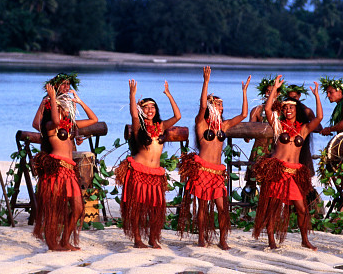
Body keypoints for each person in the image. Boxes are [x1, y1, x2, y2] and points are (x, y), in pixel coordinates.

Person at [178, 66, 250, 249]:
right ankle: (201, 238)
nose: (221, 107)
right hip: (203, 170)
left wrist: (244, 92)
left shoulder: (223, 126)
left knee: (222, 208)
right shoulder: (201, 124)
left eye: (221, 105)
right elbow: (202, 106)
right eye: (218, 104)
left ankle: (223, 240)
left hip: (217, 172)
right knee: (202, 207)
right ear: (211, 106)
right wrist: (206, 82)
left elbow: (243, 115)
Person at [253, 75, 323, 250]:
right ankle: (271, 239)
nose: (288, 110)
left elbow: (319, 118)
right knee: (274, 207)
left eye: (291, 107)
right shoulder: (278, 126)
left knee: (301, 208)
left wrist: (316, 96)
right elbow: (268, 109)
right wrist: (275, 90)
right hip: (278, 170)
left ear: (297, 109)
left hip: (294, 173)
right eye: (285, 107)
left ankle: (305, 240)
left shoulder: (303, 129)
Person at [32, 77, 98, 251]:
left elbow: (94, 119)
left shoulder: (69, 127)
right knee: (54, 208)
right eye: (64, 108)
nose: (68, 111)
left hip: (69, 170)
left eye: (69, 109)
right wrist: (52, 99)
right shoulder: (50, 125)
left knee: (78, 208)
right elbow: (54, 120)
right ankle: (52, 243)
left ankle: (65, 240)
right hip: (56, 168)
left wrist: (80, 102)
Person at [115, 80, 181, 249]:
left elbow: (178, 116)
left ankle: (153, 238)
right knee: (137, 207)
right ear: (141, 110)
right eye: (146, 107)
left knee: (155, 208)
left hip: (155, 173)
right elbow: (133, 115)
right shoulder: (139, 127)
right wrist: (132, 95)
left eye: (153, 107)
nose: (150, 110)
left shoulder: (161, 127)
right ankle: (137, 239)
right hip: (139, 171)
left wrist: (169, 95)